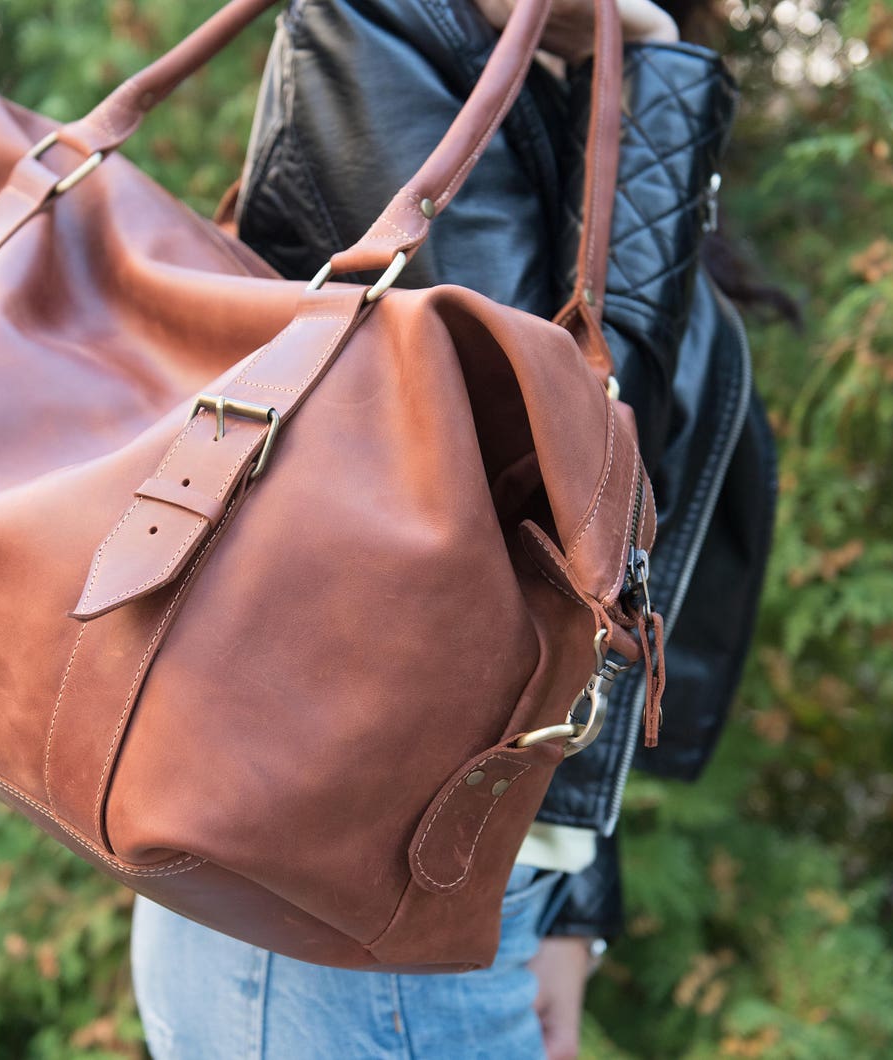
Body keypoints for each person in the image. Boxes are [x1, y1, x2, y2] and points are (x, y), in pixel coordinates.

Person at [131, 1, 787, 1056]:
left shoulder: (550, 80)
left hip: (452, 885)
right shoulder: (374, 36)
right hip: (337, 908)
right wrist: (657, 68)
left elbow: (594, 587)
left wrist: (571, 896)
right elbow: (565, 449)